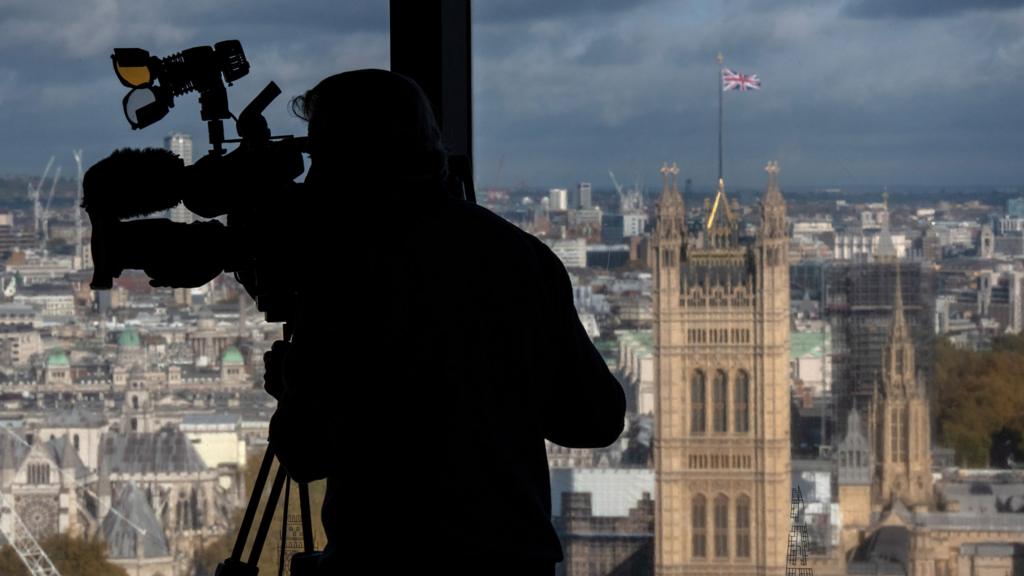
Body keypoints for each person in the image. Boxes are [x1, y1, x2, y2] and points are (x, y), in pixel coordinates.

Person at [265, 69, 627, 575]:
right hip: (511, 561)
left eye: (318, 157)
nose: (311, 179)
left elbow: (306, 452)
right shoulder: (522, 257)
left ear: (347, 164)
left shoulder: (348, 274)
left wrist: (290, 383)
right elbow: (596, 418)